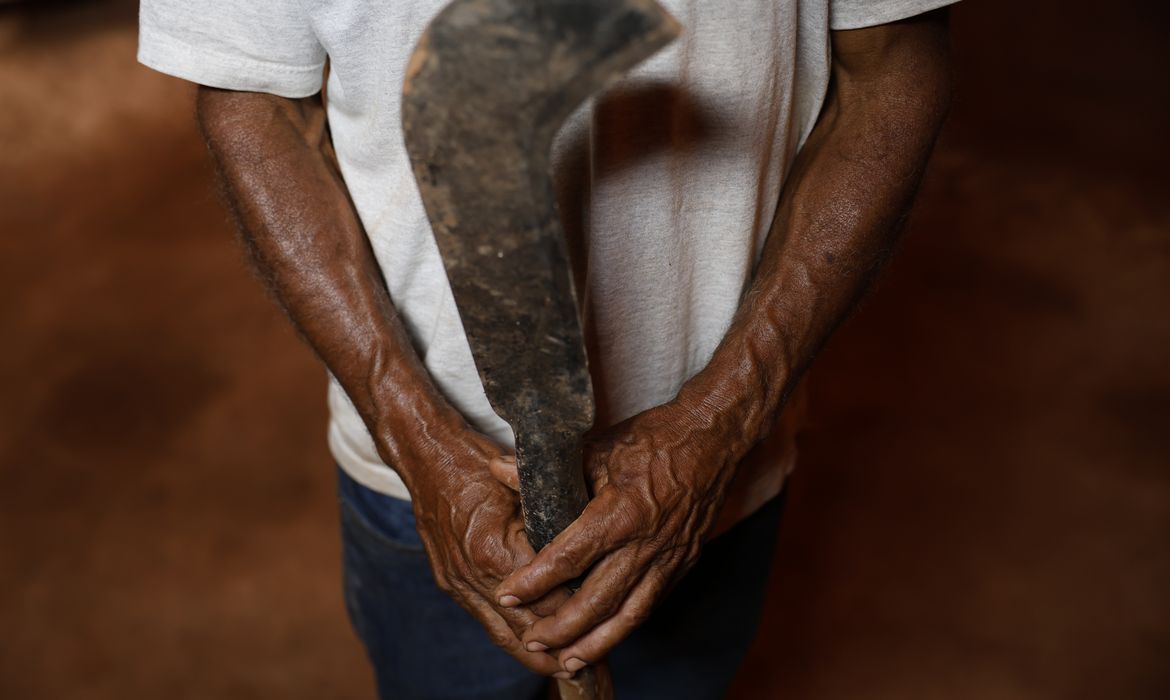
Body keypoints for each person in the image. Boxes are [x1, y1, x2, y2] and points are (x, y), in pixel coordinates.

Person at [139, 0, 957, 697]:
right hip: (424, 481)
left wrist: (727, 415)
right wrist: (411, 433)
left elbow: (891, 67)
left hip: (718, 472)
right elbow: (252, 99)